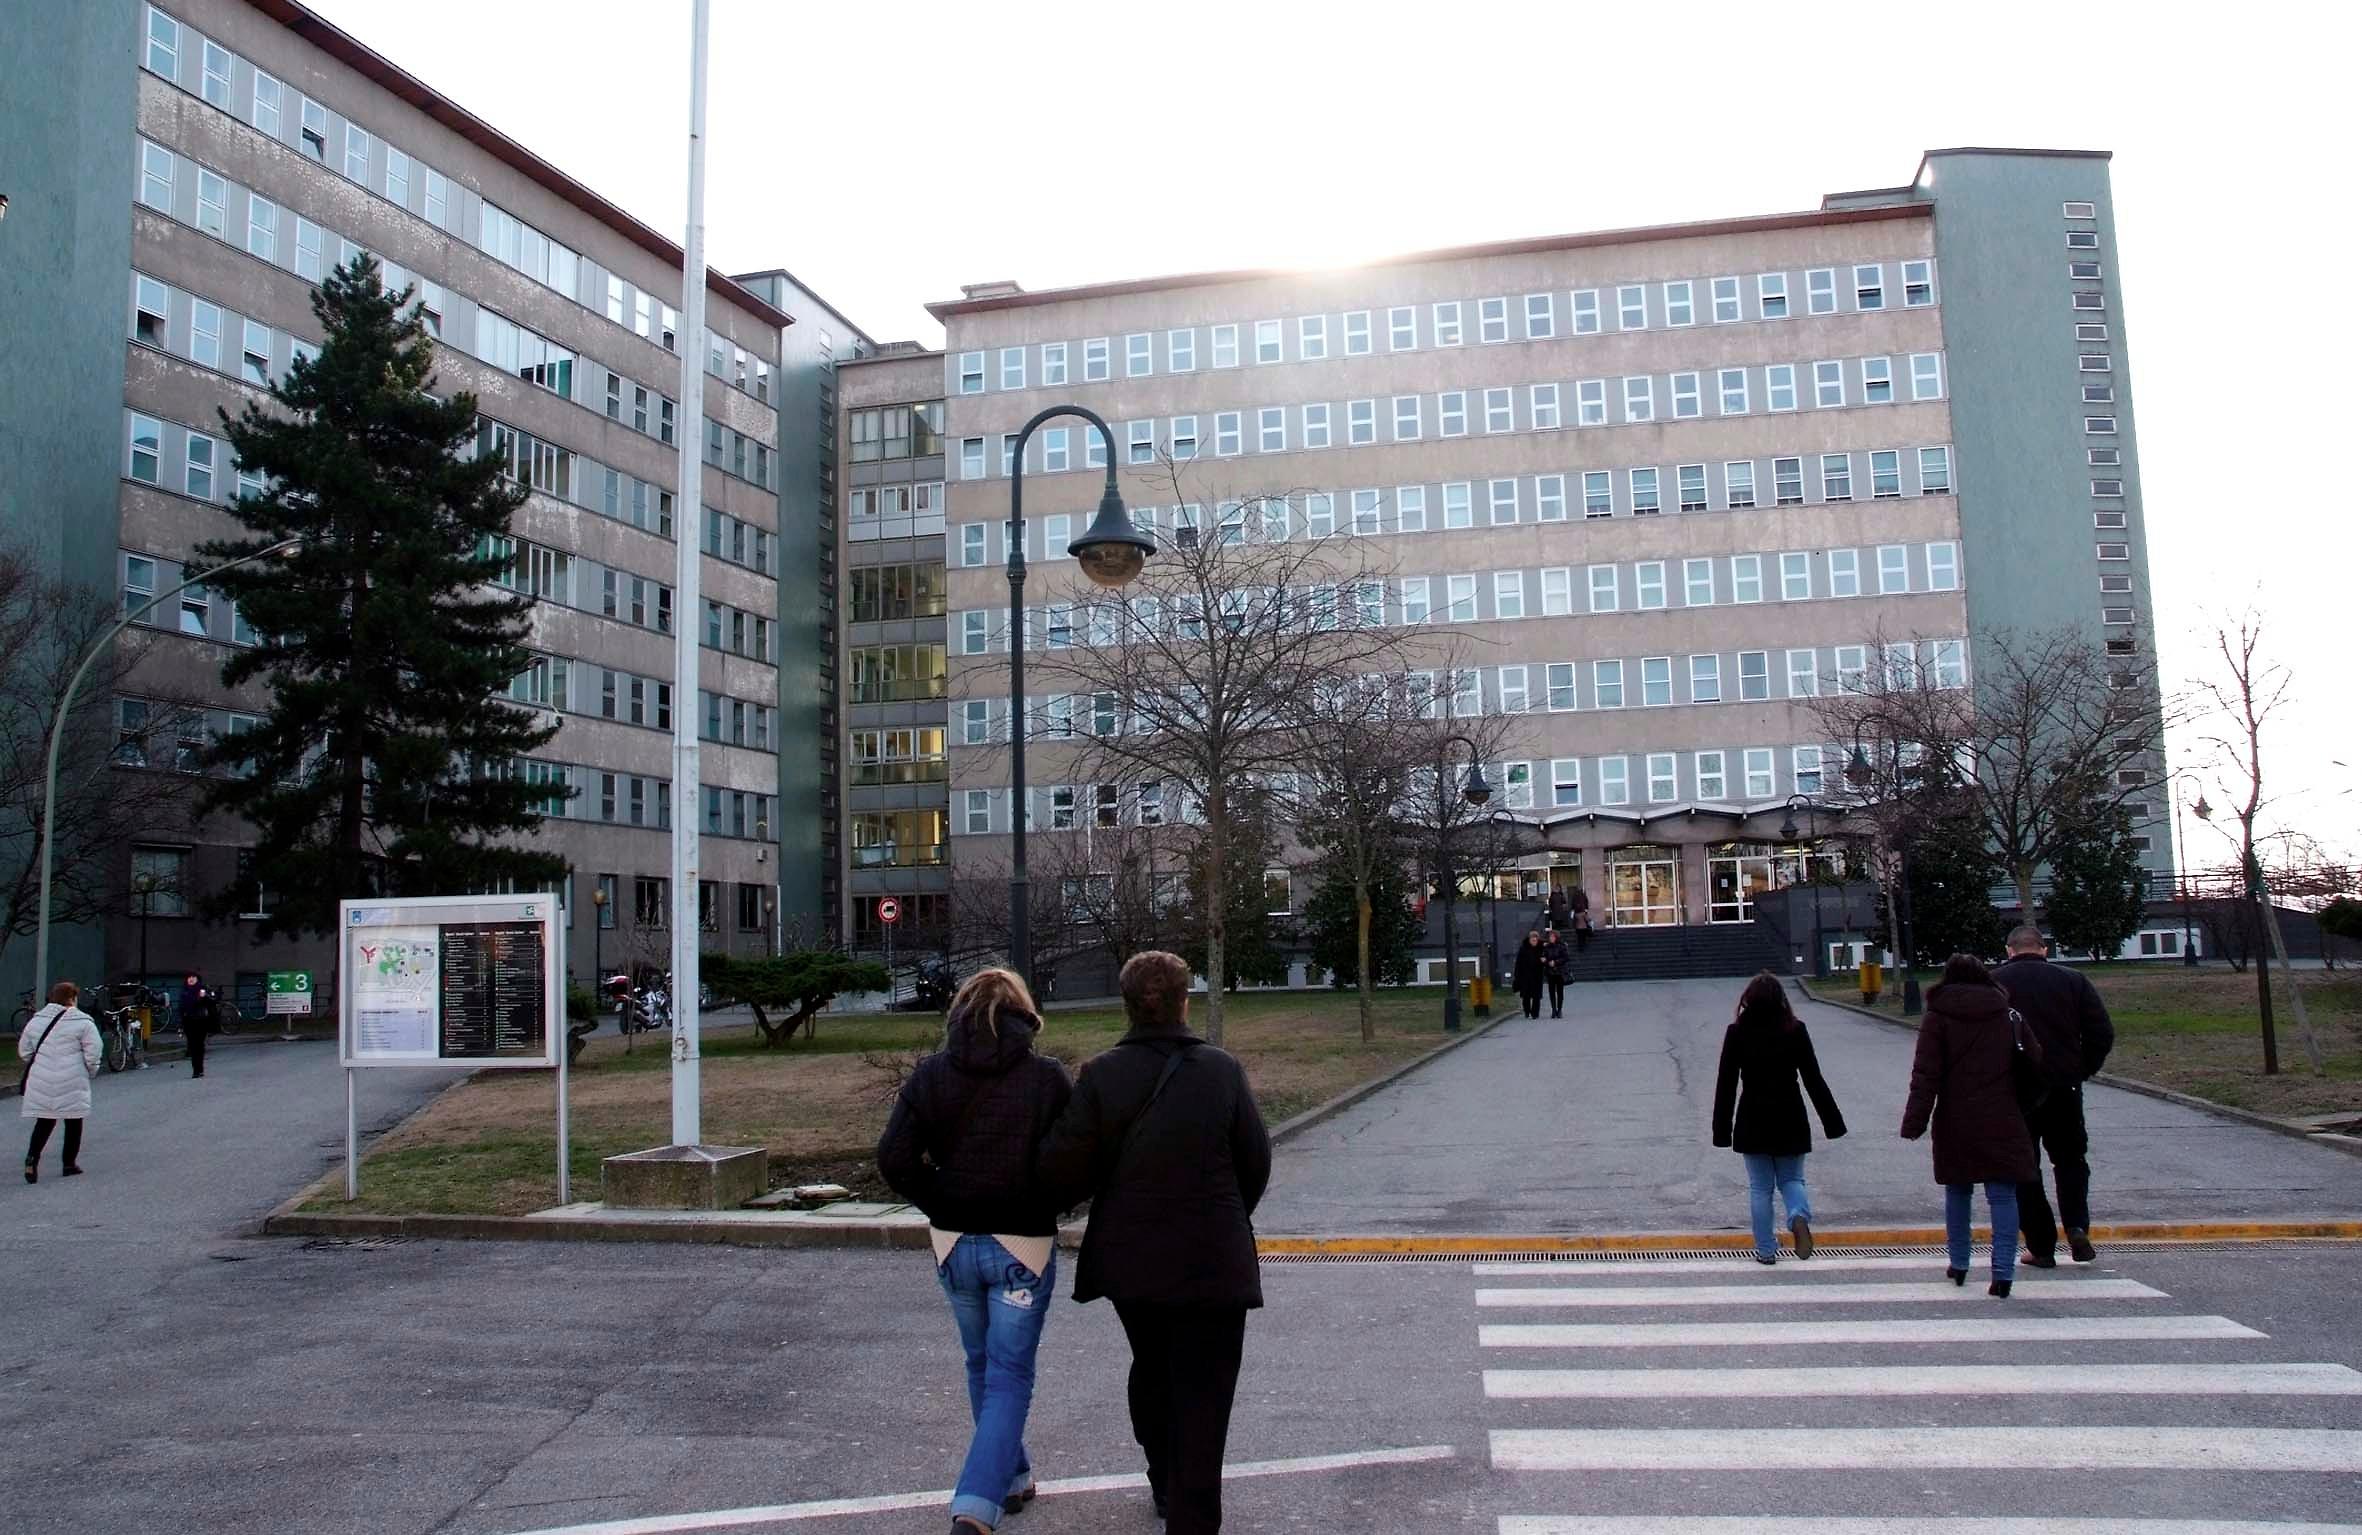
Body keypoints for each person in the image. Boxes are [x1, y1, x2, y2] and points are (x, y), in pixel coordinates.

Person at [1039, 951, 1271, 1535]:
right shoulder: (1221, 1070)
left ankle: (1163, 1477)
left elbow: (1064, 1172)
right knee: (1206, 1392)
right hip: (1213, 1259)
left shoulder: (1100, 1075)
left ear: (1126, 1004)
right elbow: (1255, 1163)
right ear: (1184, 1001)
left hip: (1132, 1263)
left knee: (1152, 1367)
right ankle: (1190, 1514)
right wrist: (1223, 1216)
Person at [875, 968, 1074, 1535]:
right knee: (1008, 1374)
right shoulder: (1046, 1078)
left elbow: (894, 1158)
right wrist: (1044, 1200)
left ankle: (1011, 1479)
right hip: (1022, 1247)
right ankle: (976, 1505)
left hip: (955, 1245)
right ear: (1022, 1012)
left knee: (982, 1364)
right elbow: (1074, 1158)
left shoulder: (932, 1075)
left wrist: (943, 1197)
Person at [1901, 954, 2042, 1297]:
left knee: (1958, 1189)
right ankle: (2003, 1271)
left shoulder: (1937, 1018)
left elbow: (1926, 1075)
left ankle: (1960, 1262)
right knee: (2002, 1195)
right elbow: (2035, 1063)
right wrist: (2024, 1106)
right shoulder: (2008, 1015)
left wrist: (1914, 1121)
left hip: (1956, 1117)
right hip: (2003, 1115)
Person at [1995, 924, 2115, 1266]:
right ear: (2044, 949)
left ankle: (2041, 1245)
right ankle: (2077, 1225)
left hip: (2016, 1090)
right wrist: (2082, 1068)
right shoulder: (2073, 981)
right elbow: (2101, 1032)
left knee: (2024, 1167)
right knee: (2071, 1160)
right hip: (2065, 1085)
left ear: (2009, 950)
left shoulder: (1996, 983)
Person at [1711, 973, 1847, 1263]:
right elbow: (1813, 1078)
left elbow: (1726, 1084)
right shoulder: (1795, 1029)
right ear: (1781, 1000)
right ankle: (1798, 1214)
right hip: (1790, 1116)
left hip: (1752, 1118)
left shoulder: (1737, 1032)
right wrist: (1832, 1122)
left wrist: (1721, 1131)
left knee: (1760, 1188)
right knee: (1792, 1179)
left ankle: (1766, 1249)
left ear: (1747, 1000)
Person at [20, 982, 102, 1183]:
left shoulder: (36, 1021)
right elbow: (93, 1053)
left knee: (44, 1121)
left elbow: (24, 1051)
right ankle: (69, 1163)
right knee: (74, 1121)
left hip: (42, 1077)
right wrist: (91, 1071)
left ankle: (32, 1159)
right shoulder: (84, 1023)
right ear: (73, 998)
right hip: (72, 1077)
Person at [179, 974, 217, 1079]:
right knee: (192, 1045)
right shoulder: (184, 991)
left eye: (193, 977)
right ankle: (196, 1069)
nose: (191, 979)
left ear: (197, 979)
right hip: (188, 1021)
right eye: (189, 977)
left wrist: (203, 997)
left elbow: (212, 1002)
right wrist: (181, 1021)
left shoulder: (202, 989)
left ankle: (199, 1069)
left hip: (201, 1021)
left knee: (199, 1045)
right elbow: (181, 1007)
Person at [1511, 930, 1547, 1019]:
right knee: (1526, 996)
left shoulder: (1541, 948)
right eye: (1532, 939)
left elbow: (1546, 959)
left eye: (1536, 939)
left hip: (1537, 975)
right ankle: (1527, 1011)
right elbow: (1518, 963)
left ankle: (1535, 1013)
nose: (1534, 940)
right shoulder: (1523, 948)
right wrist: (1517, 975)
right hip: (1525, 975)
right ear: (1529, 939)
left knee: (1536, 996)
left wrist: (1544, 961)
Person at [1539, 927, 1572, 1018]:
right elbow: (1543, 957)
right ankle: (1553, 1010)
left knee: (1560, 992)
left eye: (1553, 937)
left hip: (1560, 972)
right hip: (1550, 972)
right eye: (1550, 937)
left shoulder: (1562, 946)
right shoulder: (1546, 947)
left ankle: (1560, 1010)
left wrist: (1556, 962)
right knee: (1551, 992)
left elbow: (1566, 958)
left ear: (1556, 937)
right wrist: (1545, 961)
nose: (1551, 938)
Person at [1568, 885, 1593, 951]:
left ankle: (1580, 947)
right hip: (1584, 927)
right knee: (1583, 937)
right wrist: (1586, 910)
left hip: (1578, 927)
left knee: (1579, 938)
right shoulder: (1583, 896)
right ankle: (1583, 945)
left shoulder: (1574, 896)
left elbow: (1573, 905)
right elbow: (1587, 919)